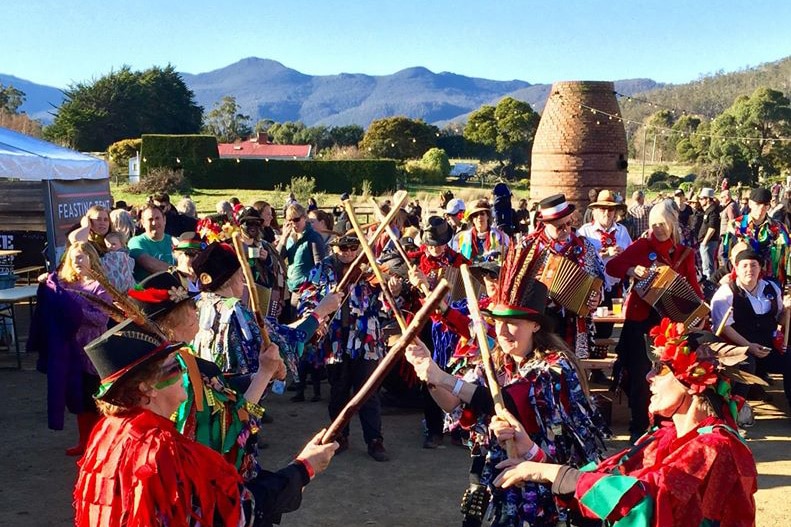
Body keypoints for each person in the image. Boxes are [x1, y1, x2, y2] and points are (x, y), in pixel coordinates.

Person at [492, 320, 758, 527]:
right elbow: (608, 480)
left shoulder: (718, 447)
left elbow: (645, 497)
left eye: (662, 369)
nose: (649, 376)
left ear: (693, 382)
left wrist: (548, 473)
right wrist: (533, 455)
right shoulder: (663, 437)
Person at [74, 319, 338, 527]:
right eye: (174, 368)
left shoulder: (108, 432)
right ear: (147, 388)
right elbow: (238, 511)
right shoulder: (163, 449)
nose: (186, 372)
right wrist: (304, 468)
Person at [405, 268, 607, 527]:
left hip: (547, 479)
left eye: (513, 322)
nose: (503, 331)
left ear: (535, 325)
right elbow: (454, 403)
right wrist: (428, 373)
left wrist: (444, 377)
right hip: (501, 474)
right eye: (497, 321)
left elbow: (510, 403)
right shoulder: (494, 361)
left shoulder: (558, 365)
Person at [299, 235, 404, 461]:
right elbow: (307, 298)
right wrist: (316, 316)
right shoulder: (322, 269)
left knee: (368, 391)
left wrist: (393, 293)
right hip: (335, 341)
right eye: (343, 247)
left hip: (365, 340)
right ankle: (339, 435)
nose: (347, 252)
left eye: (353, 247)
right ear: (334, 247)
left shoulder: (372, 270)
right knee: (338, 391)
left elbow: (387, 308)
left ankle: (375, 440)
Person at [607, 200, 703, 441]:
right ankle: (638, 426)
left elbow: (693, 288)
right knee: (641, 373)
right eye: (653, 224)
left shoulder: (684, 254)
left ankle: (664, 424)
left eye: (662, 224)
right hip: (642, 320)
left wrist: (701, 310)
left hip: (671, 323)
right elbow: (612, 266)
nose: (657, 229)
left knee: (668, 373)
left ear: (672, 223)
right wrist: (632, 270)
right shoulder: (642, 246)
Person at [28, 241, 111, 455]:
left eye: (82, 257)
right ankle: (85, 443)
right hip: (69, 352)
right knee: (79, 400)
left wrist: (76, 313)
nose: (78, 262)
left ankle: (100, 444)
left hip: (93, 354)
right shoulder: (63, 285)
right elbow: (52, 301)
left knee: (96, 401)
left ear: (92, 259)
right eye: (74, 258)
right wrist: (45, 283)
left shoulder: (100, 287)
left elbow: (102, 318)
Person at [407, 216, 469, 448]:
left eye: (440, 243)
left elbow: (466, 298)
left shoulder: (460, 263)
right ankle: (433, 429)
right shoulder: (413, 263)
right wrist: (406, 284)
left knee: (457, 378)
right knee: (429, 377)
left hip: (453, 330)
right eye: (431, 243)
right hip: (426, 330)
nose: (435, 248)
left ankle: (458, 429)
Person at [711, 248, 791, 420]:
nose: (750, 270)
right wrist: (749, 346)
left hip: (767, 347)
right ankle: (736, 412)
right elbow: (724, 327)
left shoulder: (771, 289)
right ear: (736, 268)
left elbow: (780, 320)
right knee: (748, 362)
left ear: (760, 268)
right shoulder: (726, 292)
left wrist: (787, 312)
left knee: (790, 358)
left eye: (754, 265)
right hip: (738, 349)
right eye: (745, 266)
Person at [576, 189, 630, 340]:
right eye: (602, 209)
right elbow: (579, 260)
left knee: (606, 331)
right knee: (588, 330)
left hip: (613, 290)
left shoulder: (622, 232)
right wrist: (605, 254)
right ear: (594, 211)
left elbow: (631, 257)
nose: (607, 213)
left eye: (611, 209)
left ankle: (602, 359)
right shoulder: (584, 232)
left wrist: (623, 254)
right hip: (590, 289)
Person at [722, 187, 791, 286]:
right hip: (743, 279)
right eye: (758, 204)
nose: (762, 208)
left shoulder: (779, 228)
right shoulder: (735, 225)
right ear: (750, 204)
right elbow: (728, 254)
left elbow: (785, 256)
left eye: (766, 205)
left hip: (770, 280)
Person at [277, 203, 327, 319]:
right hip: (290, 289)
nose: (294, 224)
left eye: (296, 219)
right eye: (290, 221)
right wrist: (283, 238)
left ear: (305, 218)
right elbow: (277, 258)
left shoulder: (313, 237)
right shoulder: (290, 238)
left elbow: (320, 265)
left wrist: (312, 289)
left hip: (306, 290)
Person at [451, 198, 510, 263]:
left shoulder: (501, 237)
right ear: (472, 219)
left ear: (487, 216)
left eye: (482, 213)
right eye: (475, 215)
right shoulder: (461, 238)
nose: (479, 217)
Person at [128, 204, 174, 282]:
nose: (154, 223)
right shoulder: (136, 242)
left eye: (157, 218)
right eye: (150, 219)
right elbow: (150, 265)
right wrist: (178, 273)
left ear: (164, 220)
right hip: (147, 291)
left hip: (176, 291)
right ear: (143, 223)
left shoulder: (173, 241)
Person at [697, 187, 720, 281]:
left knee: (707, 267)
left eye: (702, 198)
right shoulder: (708, 210)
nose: (700, 201)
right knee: (705, 265)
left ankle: (710, 284)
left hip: (709, 242)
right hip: (706, 242)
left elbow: (712, 227)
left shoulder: (713, 210)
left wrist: (705, 241)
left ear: (707, 199)